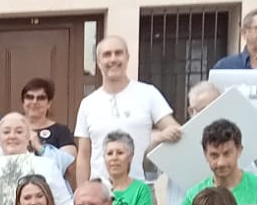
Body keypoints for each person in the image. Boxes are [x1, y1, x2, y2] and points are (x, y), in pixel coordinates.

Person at [74, 34, 181, 183]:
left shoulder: (148, 93)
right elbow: (84, 155)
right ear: (98, 62)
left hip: (140, 189)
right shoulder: (88, 103)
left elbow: (174, 130)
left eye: (118, 53)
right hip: (100, 192)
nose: (113, 59)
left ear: (127, 57)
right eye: (106, 55)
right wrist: (82, 192)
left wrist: (158, 136)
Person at [175, 118, 257, 205]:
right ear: (205, 155)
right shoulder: (194, 195)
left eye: (227, 154)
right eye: (214, 155)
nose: (221, 163)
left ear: (239, 150)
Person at [0, 112, 73, 205]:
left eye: (19, 132)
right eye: (6, 132)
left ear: (28, 137)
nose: (12, 136)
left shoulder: (46, 166)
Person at [100, 131, 156, 205]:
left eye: (120, 153)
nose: (114, 158)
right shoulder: (96, 188)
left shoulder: (141, 190)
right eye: (109, 153)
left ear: (130, 157)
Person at [20, 76, 78, 160]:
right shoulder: (10, 130)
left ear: (49, 103)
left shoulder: (61, 131)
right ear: (23, 101)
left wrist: (40, 148)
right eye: (29, 97)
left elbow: (70, 166)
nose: (34, 102)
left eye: (41, 98)